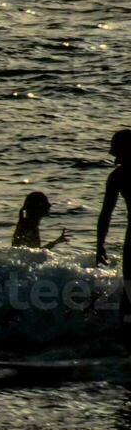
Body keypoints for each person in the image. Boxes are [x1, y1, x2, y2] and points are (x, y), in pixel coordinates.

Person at [96, 130, 131, 338]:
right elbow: (105, 213)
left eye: (118, 153)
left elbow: (106, 213)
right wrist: (100, 244)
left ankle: (126, 338)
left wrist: (100, 244)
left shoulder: (118, 176)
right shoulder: (117, 176)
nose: (116, 159)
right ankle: (126, 339)